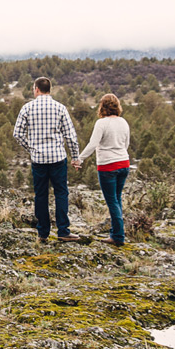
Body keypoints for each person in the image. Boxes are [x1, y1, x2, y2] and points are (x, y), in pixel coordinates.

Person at [13, 77, 83, 243]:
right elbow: (70, 135)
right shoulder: (60, 108)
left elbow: (17, 134)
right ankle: (63, 231)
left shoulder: (27, 108)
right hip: (58, 157)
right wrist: (75, 157)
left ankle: (43, 233)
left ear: (36, 89)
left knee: (41, 195)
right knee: (61, 193)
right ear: (49, 89)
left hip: (39, 159)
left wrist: (30, 148)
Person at [74, 93, 131, 246]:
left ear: (102, 107)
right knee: (117, 199)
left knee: (112, 201)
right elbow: (126, 144)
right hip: (124, 163)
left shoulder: (102, 123)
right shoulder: (123, 122)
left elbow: (93, 144)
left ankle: (118, 236)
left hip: (108, 166)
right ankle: (116, 233)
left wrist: (80, 159)